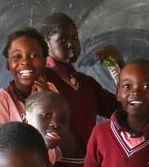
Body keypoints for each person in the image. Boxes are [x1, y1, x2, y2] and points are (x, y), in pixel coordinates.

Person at [40, 12, 120, 151]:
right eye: (63, 40)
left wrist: (118, 67)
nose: (71, 44)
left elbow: (120, 110)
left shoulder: (85, 83)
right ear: (47, 44)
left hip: (88, 165)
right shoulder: (42, 81)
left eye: (74, 37)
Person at [0, 28, 55, 130]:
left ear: (44, 61)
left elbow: (62, 138)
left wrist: (46, 102)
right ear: (8, 64)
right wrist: (35, 107)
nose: (25, 62)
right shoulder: (0, 100)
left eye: (33, 56)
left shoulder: (50, 89)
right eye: (17, 56)